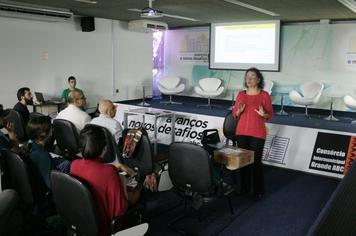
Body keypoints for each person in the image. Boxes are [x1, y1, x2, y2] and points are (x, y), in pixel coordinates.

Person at [71, 125, 139, 236]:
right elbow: (120, 211)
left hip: (83, 223)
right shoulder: (109, 172)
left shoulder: (74, 165)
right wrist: (122, 183)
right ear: (105, 148)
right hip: (106, 228)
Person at [232, 67, 273, 199]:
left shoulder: (264, 95)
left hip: (257, 132)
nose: (249, 79)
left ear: (259, 79)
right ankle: (244, 188)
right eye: (247, 77)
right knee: (244, 161)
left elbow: (270, 115)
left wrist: (264, 114)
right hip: (242, 131)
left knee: (255, 162)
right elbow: (234, 114)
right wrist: (238, 112)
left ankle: (258, 191)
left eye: (252, 77)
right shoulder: (241, 95)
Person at [20, 116, 70, 190]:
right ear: (44, 134)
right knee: (68, 163)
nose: (52, 129)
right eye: (51, 128)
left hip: (36, 181)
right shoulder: (43, 155)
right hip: (46, 191)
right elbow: (51, 186)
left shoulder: (28, 144)